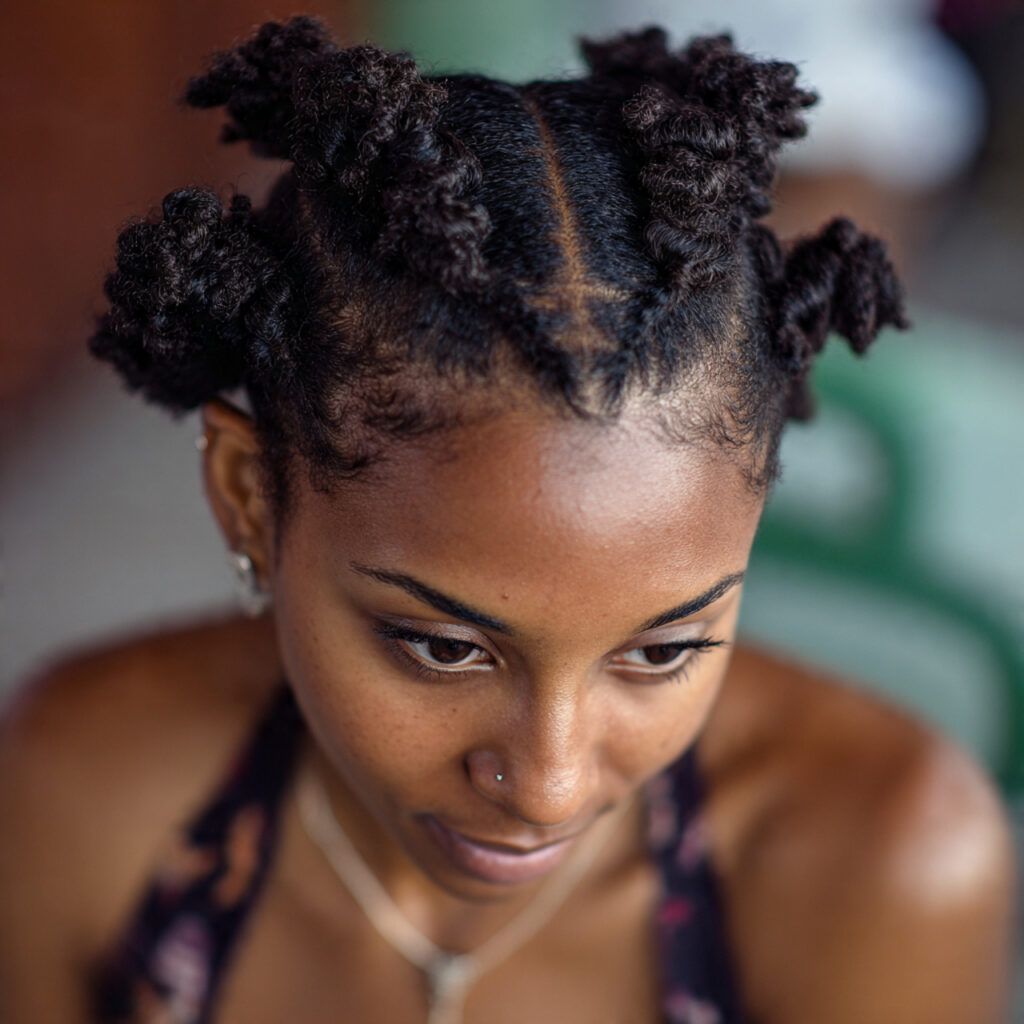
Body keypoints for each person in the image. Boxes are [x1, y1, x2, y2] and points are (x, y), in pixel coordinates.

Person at [0, 18, 1014, 1024]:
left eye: (661, 651)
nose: (545, 782)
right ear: (249, 496)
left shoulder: (881, 863)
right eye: (443, 647)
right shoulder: (86, 793)